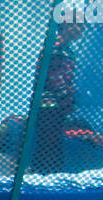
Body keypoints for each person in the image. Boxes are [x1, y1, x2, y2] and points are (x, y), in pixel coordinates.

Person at [32, 17, 83, 173]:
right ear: (67, 25)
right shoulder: (57, 47)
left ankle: (45, 175)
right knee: (49, 144)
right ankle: (47, 177)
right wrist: (67, 102)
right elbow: (55, 77)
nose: (81, 29)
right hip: (50, 105)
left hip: (53, 105)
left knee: (49, 143)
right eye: (79, 25)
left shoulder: (63, 48)